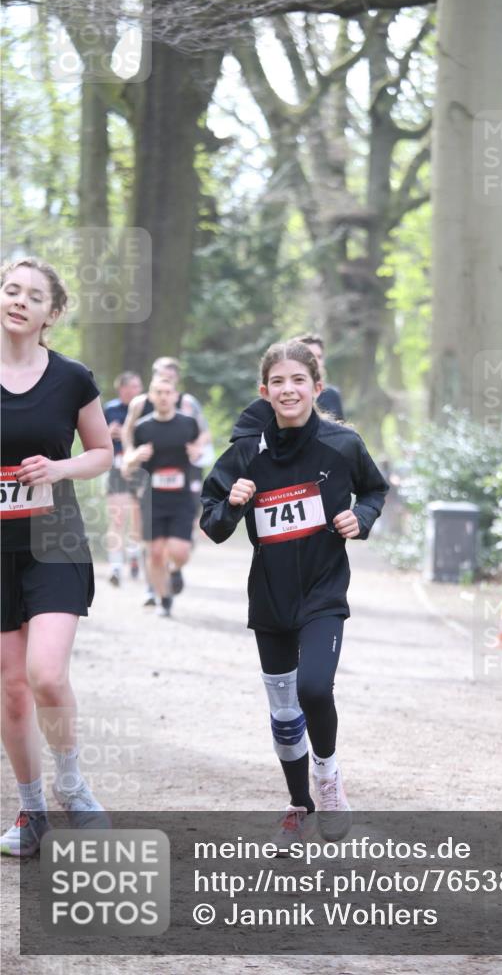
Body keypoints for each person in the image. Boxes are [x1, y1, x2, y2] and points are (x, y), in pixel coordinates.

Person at [200, 340, 388, 849]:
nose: (288, 390)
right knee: (284, 713)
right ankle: (298, 804)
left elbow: (375, 489)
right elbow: (212, 524)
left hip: (323, 591)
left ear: (316, 388)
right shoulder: (245, 452)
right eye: (278, 382)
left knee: (314, 689)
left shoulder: (342, 444)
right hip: (270, 599)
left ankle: (327, 780)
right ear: (265, 392)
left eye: (298, 380)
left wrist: (361, 518)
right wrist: (234, 504)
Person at [0, 257, 113, 856]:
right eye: (10, 290)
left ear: (52, 313)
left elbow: (102, 452)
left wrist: (59, 467)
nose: (18, 301)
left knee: (45, 672)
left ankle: (71, 785)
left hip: (54, 537)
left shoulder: (71, 378)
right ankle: (31, 811)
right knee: (12, 688)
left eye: (33, 296)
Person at [122, 356, 211, 603]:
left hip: (182, 492)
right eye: (159, 390)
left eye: (168, 390)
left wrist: (198, 450)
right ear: (151, 392)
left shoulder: (188, 417)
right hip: (151, 494)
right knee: (155, 551)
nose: (163, 395)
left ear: (175, 392)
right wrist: (133, 457)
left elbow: (203, 436)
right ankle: (162, 597)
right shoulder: (140, 417)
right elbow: (128, 445)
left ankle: (175, 570)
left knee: (178, 550)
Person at [103, 371, 144, 586]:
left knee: (137, 519)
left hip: (139, 469)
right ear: (122, 389)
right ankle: (115, 566)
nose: (136, 391)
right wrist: (107, 434)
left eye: (138, 386)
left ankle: (135, 554)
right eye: (131, 387)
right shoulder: (109, 409)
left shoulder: (145, 408)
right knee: (117, 517)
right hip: (117, 467)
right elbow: (96, 438)